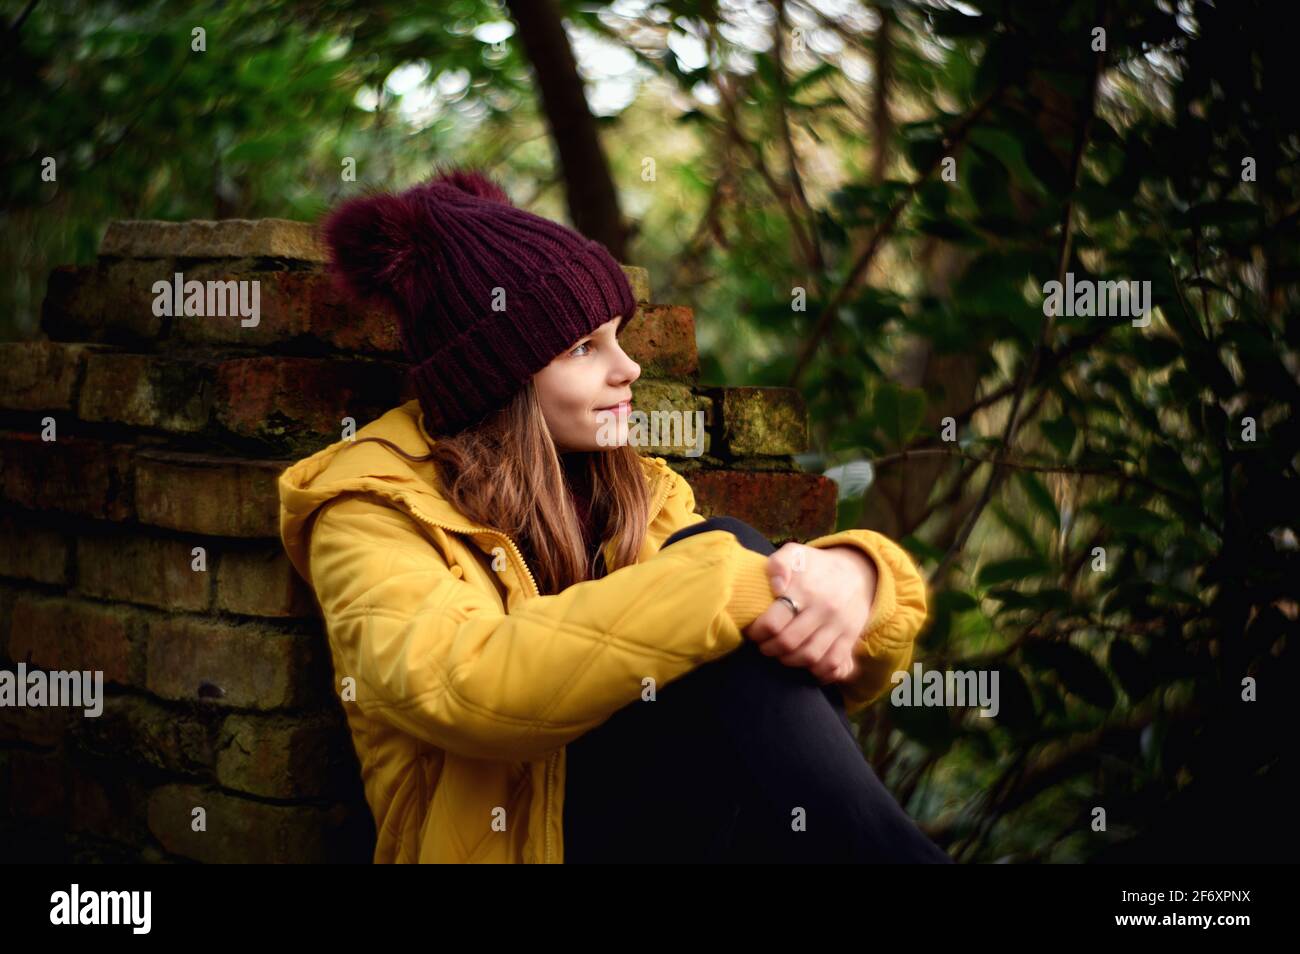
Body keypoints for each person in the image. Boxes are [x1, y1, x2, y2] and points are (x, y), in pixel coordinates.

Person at [277, 164, 950, 863]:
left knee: (732, 581)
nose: (627, 368)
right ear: (501, 378)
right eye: (583, 348)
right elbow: (459, 684)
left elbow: (820, 674)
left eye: (616, 336)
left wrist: (861, 580)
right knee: (725, 564)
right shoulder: (370, 506)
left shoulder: (636, 490)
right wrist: (731, 584)